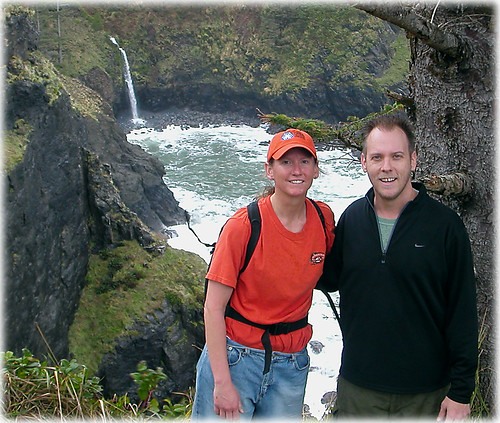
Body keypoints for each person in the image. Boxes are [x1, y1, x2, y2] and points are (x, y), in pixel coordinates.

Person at [321, 113, 478, 420]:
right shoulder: (352, 220)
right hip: (358, 390)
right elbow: (324, 277)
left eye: (397, 156)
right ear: (364, 162)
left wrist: (461, 392)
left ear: (413, 160)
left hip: (426, 395)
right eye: (377, 157)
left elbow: (463, 313)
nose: (387, 167)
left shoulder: (445, 227)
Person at [191, 128, 335, 420]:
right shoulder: (244, 226)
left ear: (316, 169)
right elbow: (213, 306)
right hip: (236, 358)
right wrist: (221, 382)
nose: (296, 170)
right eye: (285, 162)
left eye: (304, 162)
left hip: (291, 363)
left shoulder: (323, 219)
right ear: (269, 170)